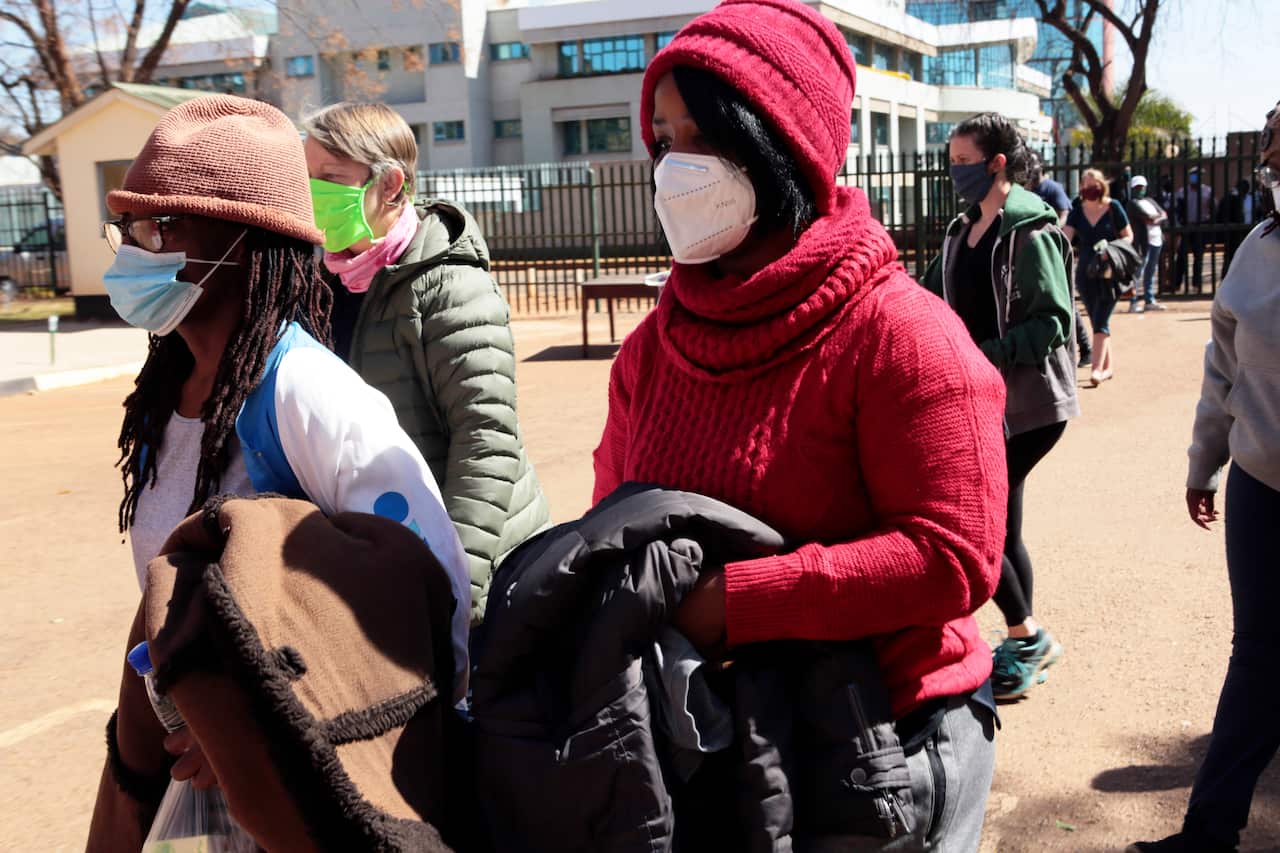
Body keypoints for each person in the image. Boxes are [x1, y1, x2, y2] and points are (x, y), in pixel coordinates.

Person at [593, 1, 1008, 847]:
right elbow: (614, 524)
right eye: (664, 139)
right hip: (718, 747)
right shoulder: (653, 347)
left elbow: (953, 558)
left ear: (781, 141)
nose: (675, 166)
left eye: (702, 135)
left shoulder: (902, 333)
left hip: (882, 753)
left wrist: (734, 604)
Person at [105, 96, 471, 728]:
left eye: (158, 226)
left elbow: (430, 595)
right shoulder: (163, 397)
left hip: (302, 774)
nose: (131, 250)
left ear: (240, 242)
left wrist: (281, 738)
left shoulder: (308, 394)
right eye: (127, 227)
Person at [302, 102, 550, 624]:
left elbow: (486, 439)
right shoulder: (319, 281)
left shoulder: (450, 285)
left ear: (390, 184)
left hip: (476, 565)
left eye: (330, 177)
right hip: (382, 556)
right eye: (306, 177)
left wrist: (456, 585)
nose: (312, 193)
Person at [1128, 100, 1280, 853]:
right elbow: (1223, 368)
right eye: (1275, 151)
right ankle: (1208, 830)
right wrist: (1204, 463)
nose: (1275, 165)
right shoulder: (1255, 249)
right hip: (1262, 481)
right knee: (1258, 651)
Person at [924, 113, 1079, 701]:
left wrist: (979, 353)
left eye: (963, 160)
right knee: (1001, 528)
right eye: (951, 160)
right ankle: (1025, 639)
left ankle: (1028, 637)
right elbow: (922, 290)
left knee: (978, 529)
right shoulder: (962, 231)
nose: (954, 171)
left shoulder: (1030, 230)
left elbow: (1053, 323)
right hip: (982, 402)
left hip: (1030, 407)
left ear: (997, 163)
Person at [1063, 168, 1134, 386]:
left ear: (1102, 185)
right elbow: (1066, 236)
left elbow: (1128, 236)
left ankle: (1096, 370)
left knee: (1101, 320)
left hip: (1110, 272)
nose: (1088, 188)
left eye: (1092, 184)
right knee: (1097, 321)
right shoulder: (1077, 209)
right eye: (1085, 184)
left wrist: (1110, 249)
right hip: (1085, 274)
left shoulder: (1114, 207)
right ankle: (1107, 367)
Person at [1026, 151, 1092, 366]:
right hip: (1034, 252)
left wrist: (1052, 228)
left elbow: (1065, 212)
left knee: (1065, 300)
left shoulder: (1051, 188)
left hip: (1053, 250)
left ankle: (1085, 347)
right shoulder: (1025, 190)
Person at [1127, 174, 1169, 313]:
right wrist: (1157, 218)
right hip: (1142, 243)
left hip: (1156, 241)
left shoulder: (1150, 200)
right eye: (1137, 187)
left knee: (1151, 271)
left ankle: (1149, 300)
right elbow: (1148, 219)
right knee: (1138, 272)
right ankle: (1133, 302)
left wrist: (1157, 218)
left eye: (1142, 187)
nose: (1140, 190)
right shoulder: (1132, 204)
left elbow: (1163, 214)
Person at [1174, 166, 1214, 293]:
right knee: (1181, 256)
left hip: (1200, 226)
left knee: (1199, 257)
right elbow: (1177, 210)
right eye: (1194, 175)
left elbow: (1212, 209)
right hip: (1186, 227)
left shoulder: (1207, 191)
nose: (1196, 178)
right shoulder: (1182, 192)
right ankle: (1177, 284)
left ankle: (1196, 285)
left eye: (1199, 175)